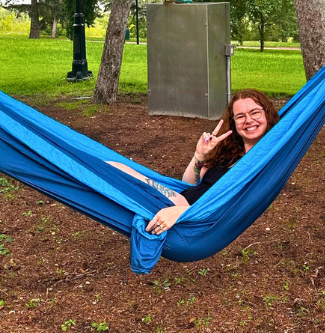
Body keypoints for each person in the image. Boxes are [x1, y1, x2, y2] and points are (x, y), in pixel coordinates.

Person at [107, 89, 279, 235]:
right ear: (234, 124)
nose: (248, 120)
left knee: (110, 172)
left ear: (267, 114)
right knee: (112, 168)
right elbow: (189, 183)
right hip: (178, 201)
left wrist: (183, 213)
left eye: (255, 112)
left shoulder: (266, 161)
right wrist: (199, 155)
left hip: (191, 217)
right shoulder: (231, 153)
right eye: (240, 116)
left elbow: (233, 207)